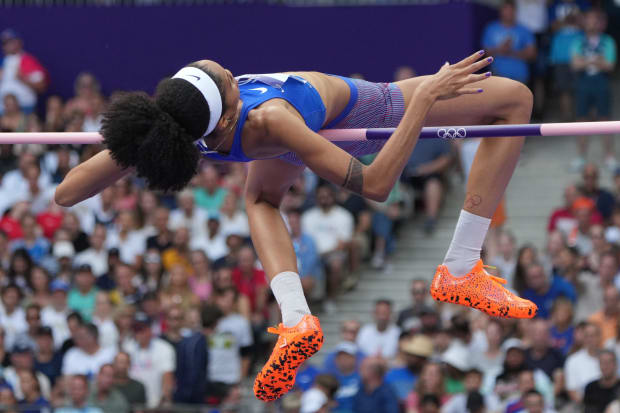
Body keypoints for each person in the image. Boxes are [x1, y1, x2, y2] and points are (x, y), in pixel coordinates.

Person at [56, 51, 537, 402]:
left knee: (261, 199)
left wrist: (124, 152)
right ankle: (459, 266)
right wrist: (424, 98)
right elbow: (377, 185)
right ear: (225, 114)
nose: (227, 69)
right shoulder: (268, 115)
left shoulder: (177, 127)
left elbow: (66, 193)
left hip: (273, 141)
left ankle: (295, 320)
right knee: (514, 99)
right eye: (226, 79)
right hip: (358, 110)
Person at [571, 10, 618, 171]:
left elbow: (610, 66)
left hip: (602, 83)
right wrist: (597, 60)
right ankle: (580, 157)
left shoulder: (608, 41)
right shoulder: (578, 41)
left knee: (605, 119)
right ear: (584, 22)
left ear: (600, 24)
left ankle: (610, 155)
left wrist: (586, 61)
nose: (591, 23)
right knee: (581, 120)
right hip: (583, 83)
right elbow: (575, 65)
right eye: (588, 20)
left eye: (594, 20)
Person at [481, 0, 537, 85]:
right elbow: (485, 53)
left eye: (511, 10)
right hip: (497, 76)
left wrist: (511, 52)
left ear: (516, 11)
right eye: (506, 9)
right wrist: (500, 49)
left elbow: (532, 54)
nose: (509, 13)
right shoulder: (491, 29)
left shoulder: (524, 30)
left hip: (520, 77)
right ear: (501, 11)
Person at [0, 29, 48, 114]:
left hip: (24, 108)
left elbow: (41, 86)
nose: (8, 45)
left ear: (19, 42)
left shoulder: (28, 61)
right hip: (3, 110)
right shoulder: (2, 62)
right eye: (5, 43)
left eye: (11, 42)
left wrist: (23, 78)